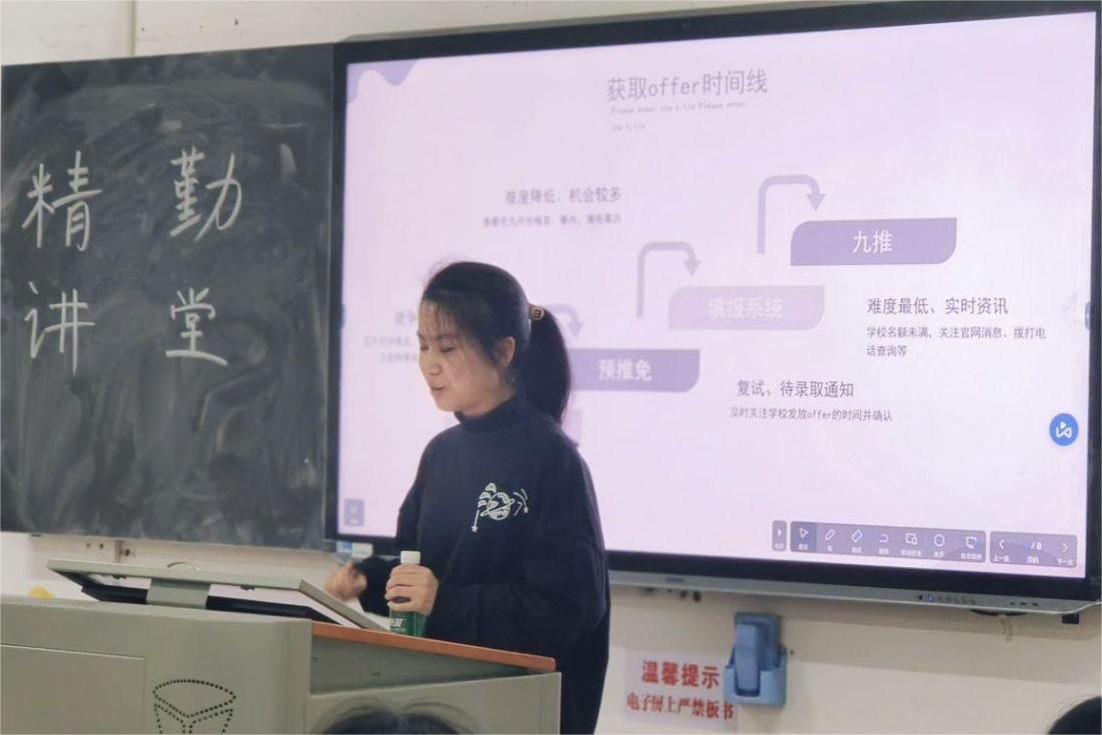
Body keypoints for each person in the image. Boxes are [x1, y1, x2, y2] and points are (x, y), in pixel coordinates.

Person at [326, 261, 610, 734]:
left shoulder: (551, 459)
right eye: (422, 346)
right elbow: (421, 566)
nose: (429, 364)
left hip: (522, 711)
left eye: (447, 348)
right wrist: (368, 579)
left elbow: (566, 611)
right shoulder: (441, 454)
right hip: (441, 701)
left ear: (504, 352)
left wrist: (443, 602)